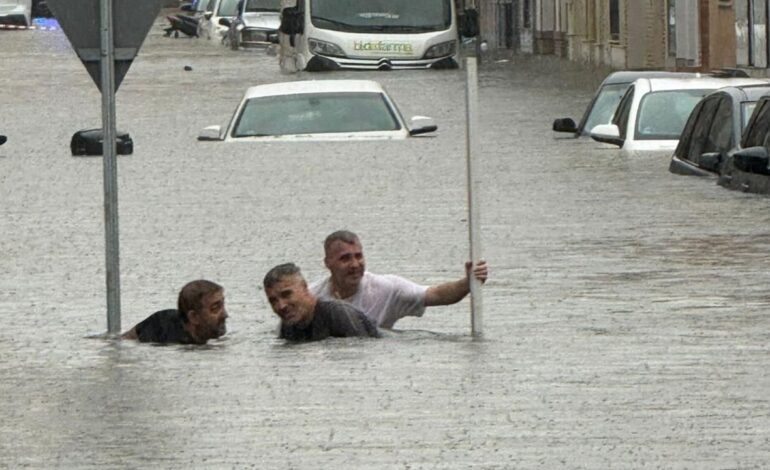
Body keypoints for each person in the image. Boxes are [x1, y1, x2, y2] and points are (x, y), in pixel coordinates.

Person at [310, 230, 488, 328]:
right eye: (345, 258)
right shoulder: (312, 298)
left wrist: (467, 282)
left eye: (359, 256)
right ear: (328, 263)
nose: (355, 264)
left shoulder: (387, 288)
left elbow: (437, 295)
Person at [263, 263, 379, 342]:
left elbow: (364, 352)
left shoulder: (338, 314)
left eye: (286, 294)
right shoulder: (288, 326)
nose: (281, 306)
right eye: (273, 301)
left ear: (304, 287)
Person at [122, 279, 228, 345]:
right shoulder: (169, 337)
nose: (225, 315)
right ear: (194, 317)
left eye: (223, 305)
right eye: (215, 308)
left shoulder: (208, 332)